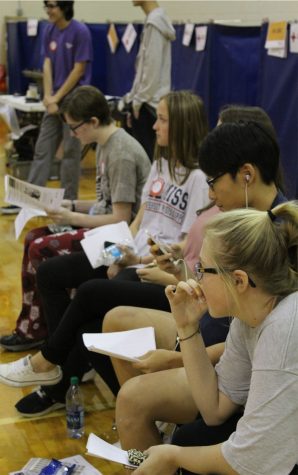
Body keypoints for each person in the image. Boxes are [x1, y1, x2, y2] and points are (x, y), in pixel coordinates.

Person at [0, 90, 209, 414]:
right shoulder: (161, 163)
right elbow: (139, 221)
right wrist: (119, 253)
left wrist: (133, 260)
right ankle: (56, 359)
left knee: (88, 297)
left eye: (163, 120)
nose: (154, 126)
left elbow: (180, 249)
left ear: (182, 124)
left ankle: (54, 367)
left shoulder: (196, 179)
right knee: (51, 272)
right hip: (127, 248)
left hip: (151, 265)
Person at [102, 106, 287, 386]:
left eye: (214, 183)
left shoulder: (278, 236)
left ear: (247, 174)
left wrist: (180, 356)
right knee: (114, 318)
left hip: (223, 360)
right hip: (202, 332)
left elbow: (250, 344)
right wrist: (179, 271)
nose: (211, 194)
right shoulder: (240, 219)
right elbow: (215, 286)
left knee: (135, 400)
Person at [117, 201, 298, 475]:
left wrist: (173, 456)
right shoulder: (248, 317)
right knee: (191, 439)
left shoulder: (284, 331)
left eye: (202, 270)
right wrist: (187, 326)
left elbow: (249, 462)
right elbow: (214, 409)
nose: (196, 279)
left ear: (239, 281)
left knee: (185, 450)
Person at [0, 85, 151, 351]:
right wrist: (70, 204)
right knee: (35, 236)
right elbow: (106, 203)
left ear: (93, 121)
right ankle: (36, 326)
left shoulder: (121, 152)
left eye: (74, 127)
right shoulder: (105, 144)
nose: (71, 134)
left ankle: (56, 336)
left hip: (121, 239)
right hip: (107, 229)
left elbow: (120, 218)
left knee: (42, 248)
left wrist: (71, 215)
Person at [27, 1, 93, 199]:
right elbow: (47, 63)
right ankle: (30, 199)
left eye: (52, 6)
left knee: (71, 154)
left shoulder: (81, 32)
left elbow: (79, 69)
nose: (48, 10)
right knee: (42, 150)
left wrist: (57, 96)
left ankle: (68, 201)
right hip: (54, 101)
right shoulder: (49, 30)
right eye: (46, 5)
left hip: (74, 102)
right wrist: (48, 96)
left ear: (64, 7)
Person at [119, 1, 175, 160]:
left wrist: (138, 102)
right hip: (147, 103)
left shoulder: (155, 23)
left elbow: (151, 69)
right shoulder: (154, 20)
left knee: (147, 164)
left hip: (148, 106)